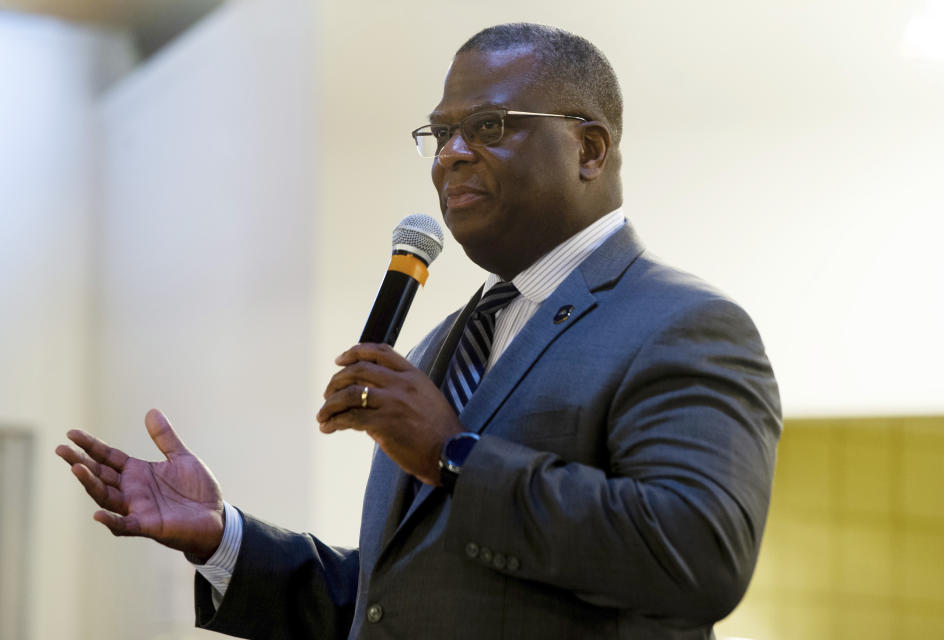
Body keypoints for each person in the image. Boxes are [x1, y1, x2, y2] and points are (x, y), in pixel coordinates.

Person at [57, 23, 781, 640]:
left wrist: (453, 454)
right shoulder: (445, 342)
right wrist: (224, 539)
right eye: (440, 133)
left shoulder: (682, 325)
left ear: (589, 150)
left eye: (489, 127)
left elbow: (695, 557)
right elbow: (395, 599)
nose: (450, 154)